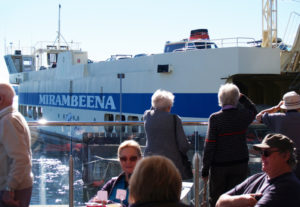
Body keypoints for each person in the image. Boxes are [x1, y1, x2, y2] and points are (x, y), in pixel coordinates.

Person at [201, 83, 257, 207]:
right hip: (240, 163)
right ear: (236, 99)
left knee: (217, 199)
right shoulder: (243, 115)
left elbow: (210, 146)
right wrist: (243, 98)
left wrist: (205, 169)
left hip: (219, 167)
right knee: (238, 198)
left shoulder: (215, 118)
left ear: (220, 99)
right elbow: (253, 110)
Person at [216, 133, 300, 207]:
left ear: (285, 156)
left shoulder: (287, 187)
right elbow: (219, 202)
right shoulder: (256, 178)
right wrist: (243, 200)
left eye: (267, 153)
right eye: (261, 153)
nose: (262, 157)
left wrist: (232, 203)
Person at [143, 89, 192, 180]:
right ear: (169, 106)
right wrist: (189, 144)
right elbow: (183, 146)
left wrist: (156, 104)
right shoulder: (175, 119)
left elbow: (152, 109)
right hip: (170, 165)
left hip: (150, 163)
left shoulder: (147, 116)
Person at [0, 83, 33, 207]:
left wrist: (10, 188)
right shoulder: (13, 117)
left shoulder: (8, 121)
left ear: (1, 99)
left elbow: (21, 159)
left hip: (12, 190)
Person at [256, 91, 300, 179]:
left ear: (284, 107)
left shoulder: (277, 118)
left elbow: (258, 117)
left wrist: (276, 108)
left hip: (284, 158)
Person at [90, 140, 142, 206]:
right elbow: (96, 200)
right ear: (119, 160)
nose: (128, 162)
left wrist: (110, 203)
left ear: (140, 159)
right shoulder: (113, 183)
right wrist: (96, 201)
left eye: (133, 158)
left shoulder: (146, 186)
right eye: (123, 159)